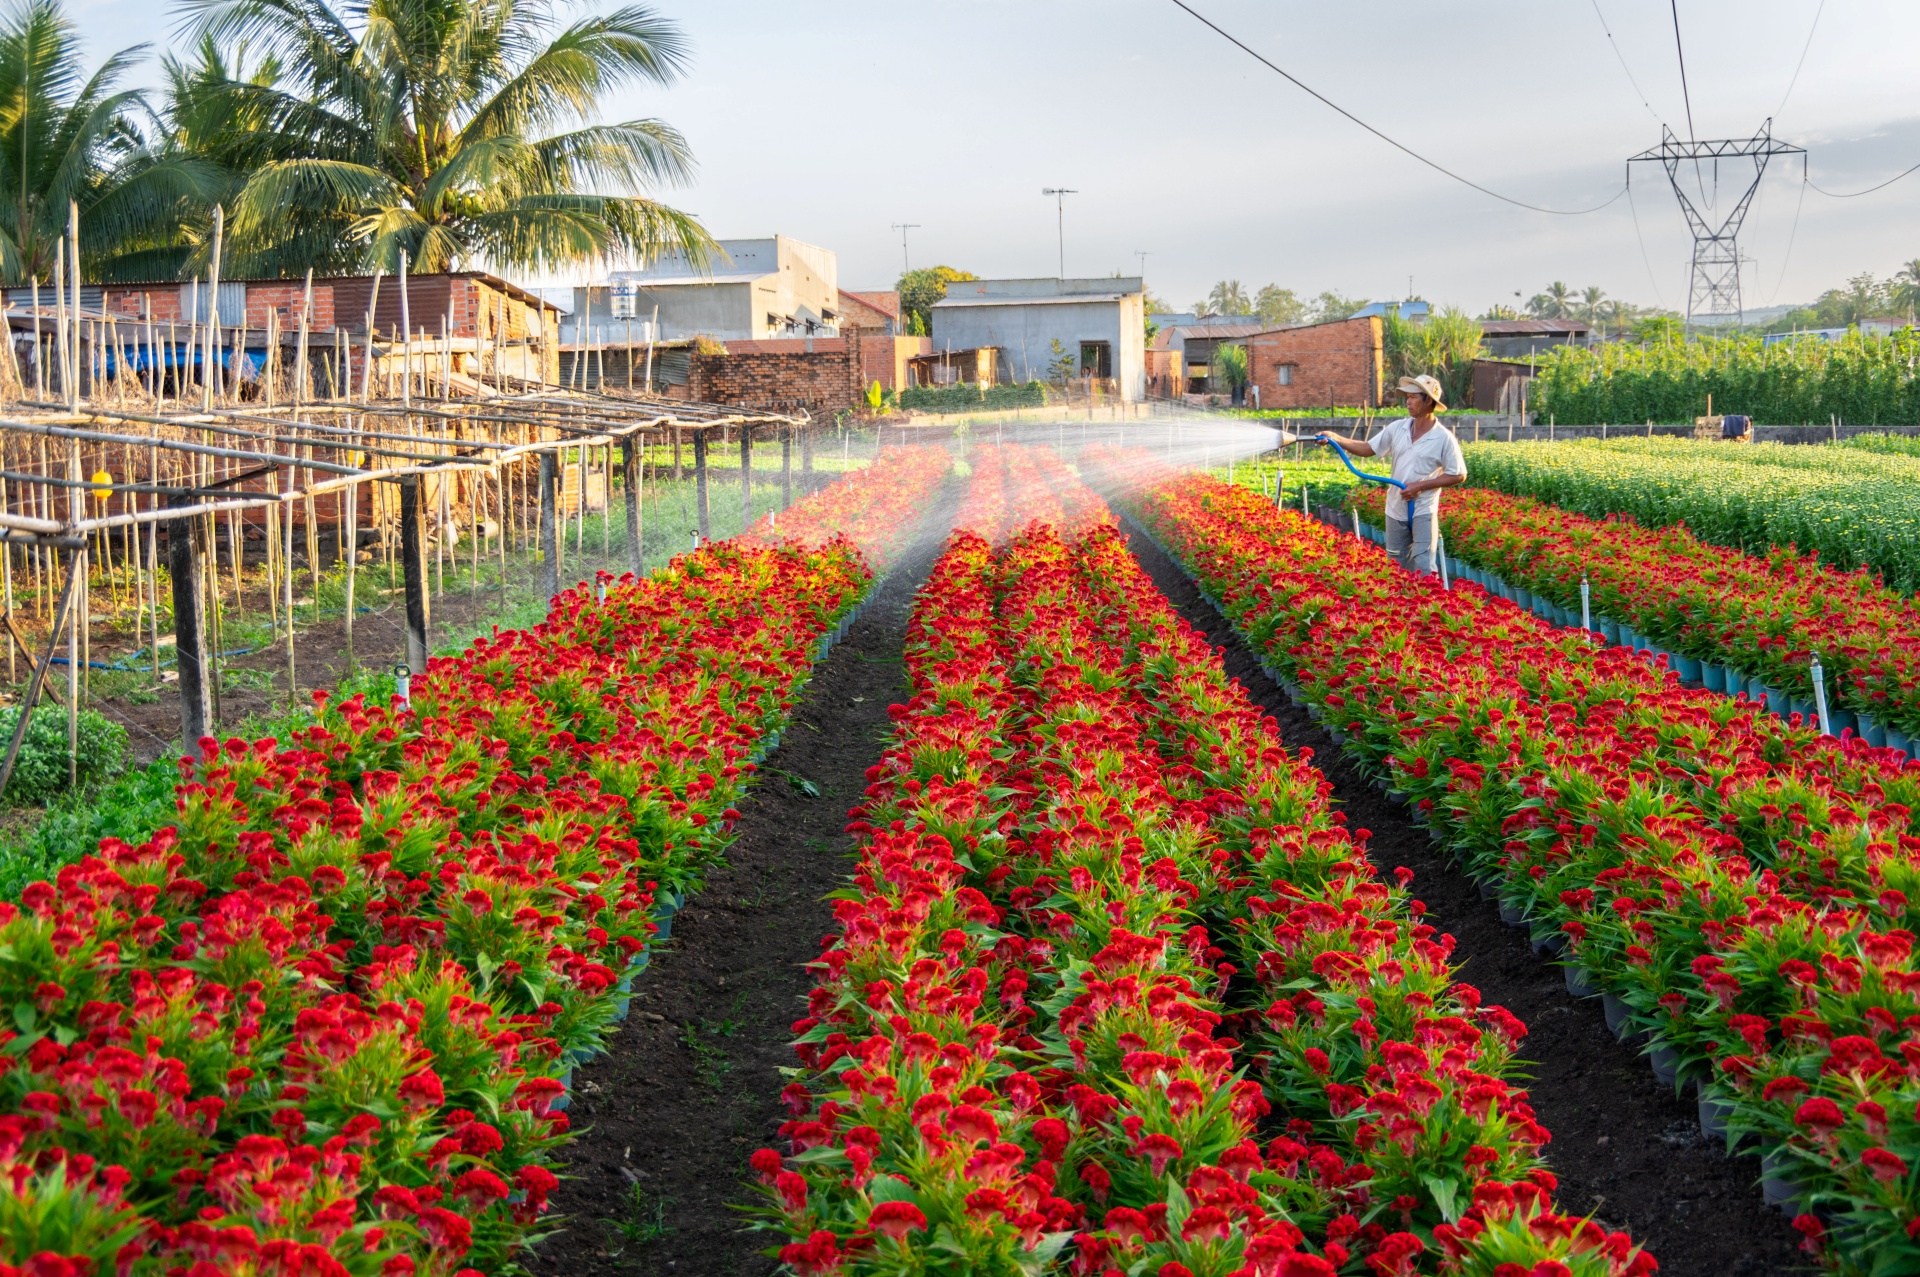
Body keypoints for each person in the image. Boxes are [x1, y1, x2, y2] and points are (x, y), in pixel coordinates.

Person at [1317, 374, 1466, 575]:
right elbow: (1368, 448)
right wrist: (1336, 438)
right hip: (1395, 508)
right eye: (1407, 397)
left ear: (1428, 400)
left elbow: (1458, 474)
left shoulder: (1443, 438)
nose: (1408, 402)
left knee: (1423, 563)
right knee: (1396, 564)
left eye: (1413, 397)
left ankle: (1426, 603)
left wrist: (1419, 486)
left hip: (1423, 509)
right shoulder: (1398, 428)